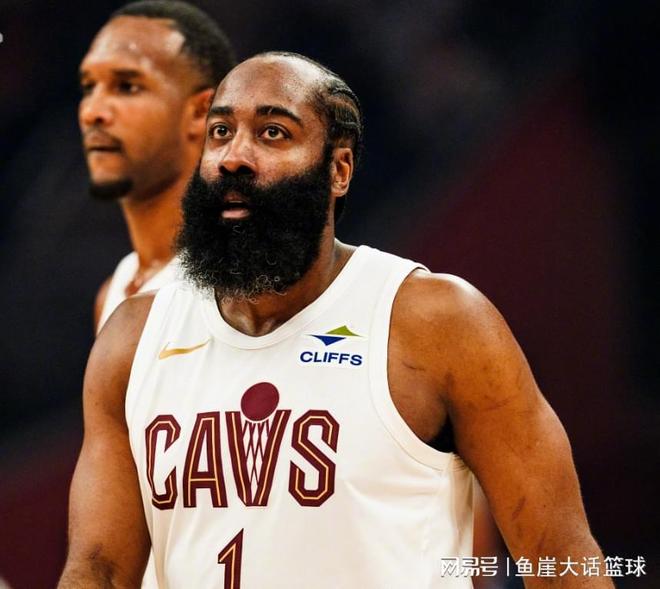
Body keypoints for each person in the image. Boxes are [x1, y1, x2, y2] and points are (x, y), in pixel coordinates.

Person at [60, 52, 613, 588]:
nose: (234, 156)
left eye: (273, 133)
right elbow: (99, 569)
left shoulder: (436, 321)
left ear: (338, 170)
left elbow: (561, 555)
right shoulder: (134, 337)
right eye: (221, 132)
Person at [78, 0, 235, 332]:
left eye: (127, 86)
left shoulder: (239, 288)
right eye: (89, 86)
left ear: (201, 112)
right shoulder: (116, 289)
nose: (92, 112)